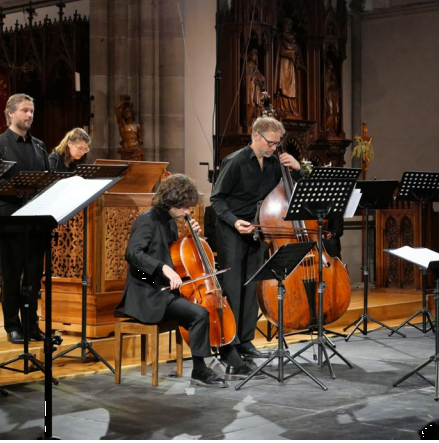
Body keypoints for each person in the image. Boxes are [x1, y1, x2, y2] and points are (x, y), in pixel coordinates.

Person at [114, 174, 260, 386]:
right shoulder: (146, 220)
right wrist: (162, 267)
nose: (187, 212)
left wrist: (191, 237)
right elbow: (133, 253)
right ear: (171, 201)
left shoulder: (171, 223)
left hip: (167, 292)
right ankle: (200, 370)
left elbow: (175, 254)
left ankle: (230, 359)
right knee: (199, 313)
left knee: (211, 307)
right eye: (184, 207)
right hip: (148, 296)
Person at [211, 116, 301, 361]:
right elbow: (217, 199)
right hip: (232, 230)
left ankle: (245, 341)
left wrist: (297, 169)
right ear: (255, 136)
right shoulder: (235, 161)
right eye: (270, 142)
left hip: (259, 229)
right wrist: (234, 221)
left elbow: (293, 192)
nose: (274, 147)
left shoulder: (275, 164)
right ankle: (228, 344)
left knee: (251, 287)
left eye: (277, 143)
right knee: (232, 288)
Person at [0, 93, 49, 344]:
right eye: (24, 110)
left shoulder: (39, 146)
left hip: (36, 220)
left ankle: (31, 325)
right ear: (11, 113)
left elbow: (46, 178)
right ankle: (12, 326)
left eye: (31, 110)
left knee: (33, 278)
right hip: (10, 220)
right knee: (11, 278)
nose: (29, 114)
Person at [274, 18, 301, 117]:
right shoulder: (280, 38)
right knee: (283, 86)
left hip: (291, 65)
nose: (288, 27)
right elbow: (281, 51)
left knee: (291, 87)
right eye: (287, 25)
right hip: (283, 64)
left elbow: (297, 50)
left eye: (290, 26)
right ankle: (281, 107)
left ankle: (290, 108)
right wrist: (293, 53)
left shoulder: (293, 41)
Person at [246, 49, 266, 125]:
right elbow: (247, 78)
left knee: (256, 106)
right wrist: (253, 77)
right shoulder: (246, 66)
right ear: (250, 55)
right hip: (249, 89)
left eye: (256, 55)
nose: (255, 57)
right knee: (251, 106)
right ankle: (247, 122)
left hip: (256, 89)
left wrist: (258, 79)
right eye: (254, 55)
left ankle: (254, 122)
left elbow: (262, 78)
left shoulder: (255, 67)